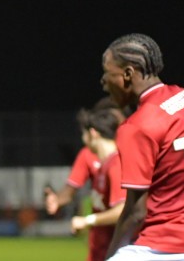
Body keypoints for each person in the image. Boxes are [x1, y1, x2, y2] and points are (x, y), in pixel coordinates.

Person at [100, 33, 184, 260]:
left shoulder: (136, 126)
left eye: (106, 73)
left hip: (170, 243)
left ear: (128, 74)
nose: (103, 82)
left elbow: (136, 212)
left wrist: (109, 255)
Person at [44, 96, 125, 261]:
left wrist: (87, 220)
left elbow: (122, 210)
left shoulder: (120, 160)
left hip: (122, 245)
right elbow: (70, 190)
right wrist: (57, 200)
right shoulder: (97, 159)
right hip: (100, 243)